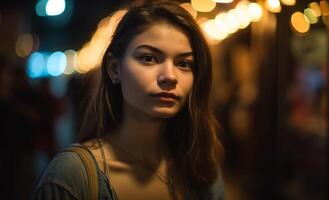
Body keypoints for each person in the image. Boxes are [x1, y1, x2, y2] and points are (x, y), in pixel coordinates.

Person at [32, 0, 224, 199]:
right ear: (114, 68)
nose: (170, 76)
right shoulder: (72, 176)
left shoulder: (201, 169)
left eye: (183, 63)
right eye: (148, 58)